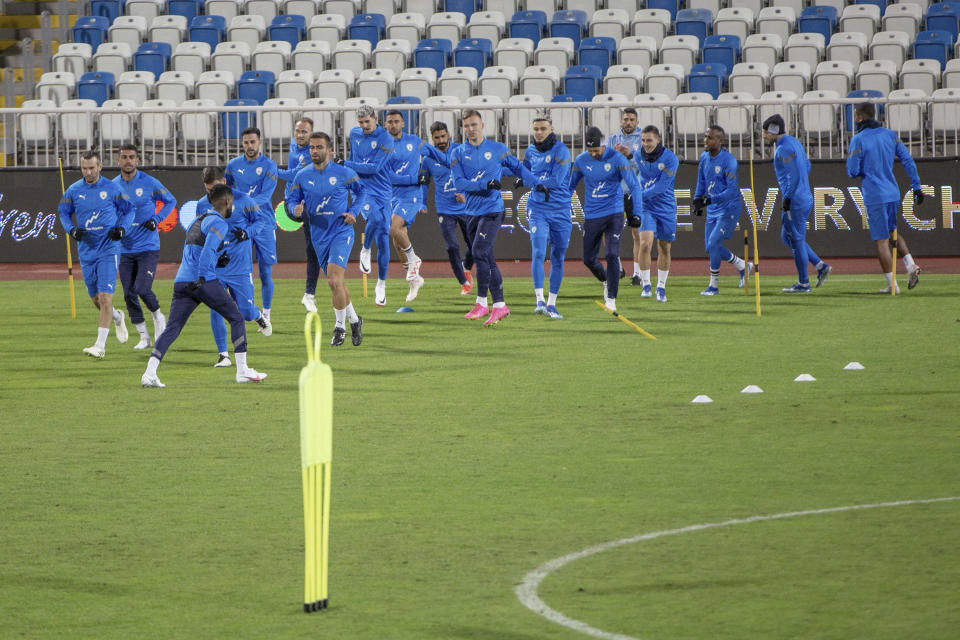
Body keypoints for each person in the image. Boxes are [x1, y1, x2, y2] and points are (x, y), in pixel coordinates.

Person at [141, 184, 267, 387]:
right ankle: (242, 370)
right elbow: (208, 250)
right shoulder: (220, 223)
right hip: (203, 280)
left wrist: (218, 260)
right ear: (227, 203)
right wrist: (203, 276)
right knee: (236, 317)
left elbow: (194, 252)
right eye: (232, 204)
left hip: (182, 282)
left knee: (173, 328)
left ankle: (149, 373)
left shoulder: (195, 222)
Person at [286, 131, 365, 346]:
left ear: (329, 150)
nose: (314, 151)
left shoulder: (343, 172)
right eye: (311, 147)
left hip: (341, 231)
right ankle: (355, 320)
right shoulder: (302, 175)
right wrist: (295, 208)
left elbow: (362, 192)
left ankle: (339, 327)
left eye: (319, 147)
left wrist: (354, 212)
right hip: (318, 236)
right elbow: (291, 198)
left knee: (332, 279)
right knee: (337, 283)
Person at [58, 149, 134, 358]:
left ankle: (100, 347)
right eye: (84, 168)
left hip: (109, 248)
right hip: (86, 250)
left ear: (100, 166)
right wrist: (71, 229)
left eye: (92, 168)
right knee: (96, 301)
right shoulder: (73, 191)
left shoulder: (112, 188)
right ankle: (118, 318)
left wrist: (122, 228)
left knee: (105, 297)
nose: (88, 172)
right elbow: (63, 213)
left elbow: (129, 211)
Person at [197, 166, 272, 368]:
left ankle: (258, 316)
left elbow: (260, 222)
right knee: (217, 309)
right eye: (208, 189)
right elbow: (200, 233)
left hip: (240, 266)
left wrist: (246, 233)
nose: (212, 193)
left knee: (245, 312)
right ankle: (223, 355)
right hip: (216, 267)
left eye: (215, 188)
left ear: (224, 182)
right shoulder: (202, 205)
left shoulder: (245, 200)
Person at [846, 102, 925, 293]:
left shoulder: (858, 139)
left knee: (881, 241)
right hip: (892, 192)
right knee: (892, 232)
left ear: (859, 117)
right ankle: (910, 265)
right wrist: (916, 187)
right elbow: (907, 160)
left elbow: (852, 171)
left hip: (875, 194)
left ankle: (892, 285)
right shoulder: (890, 135)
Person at [505, 112, 573, 319]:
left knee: (558, 256)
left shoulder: (562, 151)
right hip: (538, 208)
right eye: (536, 129)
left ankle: (552, 303)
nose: (539, 132)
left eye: (543, 129)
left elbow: (556, 181)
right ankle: (539, 300)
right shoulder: (531, 151)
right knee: (538, 252)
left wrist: (528, 181)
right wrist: (512, 173)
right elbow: (524, 170)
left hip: (560, 210)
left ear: (551, 129)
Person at [568, 127, 644, 312]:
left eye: (597, 150)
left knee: (611, 254)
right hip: (593, 215)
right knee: (588, 259)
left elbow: (634, 186)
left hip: (614, 212)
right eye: (590, 150)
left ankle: (611, 298)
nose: (593, 154)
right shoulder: (581, 160)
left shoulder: (617, 158)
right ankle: (605, 280)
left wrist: (637, 213)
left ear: (604, 145)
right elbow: (569, 187)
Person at [450, 109, 514, 325]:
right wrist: (483, 185)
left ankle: (482, 303)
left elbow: (517, 167)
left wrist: (534, 180)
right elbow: (460, 184)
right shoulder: (458, 152)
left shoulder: (496, 149)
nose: (470, 129)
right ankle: (500, 306)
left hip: (493, 210)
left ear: (482, 125)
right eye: (467, 125)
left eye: (474, 124)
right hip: (471, 212)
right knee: (487, 258)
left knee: (478, 251)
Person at [113, 144, 175, 349]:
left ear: (138, 160)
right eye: (124, 157)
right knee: (128, 293)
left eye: (131, 157)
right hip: (124, 248)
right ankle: (144, 337)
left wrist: (156, 219)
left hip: (147, 246)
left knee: (142, 288)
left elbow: (170, 201)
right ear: (118, 161)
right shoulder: (113, 186)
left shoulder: (149, 182)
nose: (128, 160)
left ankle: (158, 316)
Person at [761, 115, 832, 293]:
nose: (763, 136)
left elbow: (793, 176)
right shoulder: (795, 142)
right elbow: (807, 166)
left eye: (765, 132)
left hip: (794, 201)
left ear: (774, 131)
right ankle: (820, 265)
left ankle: (803, 283)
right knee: (787, 237)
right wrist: (801, 187)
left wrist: (789, 197)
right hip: (804, 197)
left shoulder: (782, 149)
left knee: (797, 240)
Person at [225, 126, 279, 322]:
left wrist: (243, 204)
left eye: (253, 142)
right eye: (246, 142)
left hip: (263, 223)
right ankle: (241, 311)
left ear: (259, 143)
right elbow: (227, 192)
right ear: (242, 143)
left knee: (265, 272)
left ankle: (266, 315)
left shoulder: (270, 165)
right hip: (239, 224)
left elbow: (265, 196)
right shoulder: (232, 165)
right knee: (238, 270)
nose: (249, 146)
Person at [693, 126, 752, 296]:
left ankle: (714, 286)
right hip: (712, 209)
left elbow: (732, 191)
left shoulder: (729, 161)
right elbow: (701, 181)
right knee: (710, 247)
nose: (706, 140)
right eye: (705, 136)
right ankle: (742, 265)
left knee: (713, 245)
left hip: (728, 209)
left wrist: (710, 200)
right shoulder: (704, 157)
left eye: (710, 137)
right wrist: (698, 200)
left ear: (721, 141)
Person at [348, 105, 395, 306]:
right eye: (361, 122)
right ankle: (365, 250)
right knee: (374, 219)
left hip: (383, 191)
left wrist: (347, 165)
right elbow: (353, 158)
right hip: (362, 189)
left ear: (375, 119)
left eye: (367, 121)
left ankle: (381, 285)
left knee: (384, 238)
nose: (364, 125)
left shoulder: (386, 139)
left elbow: (374, 168)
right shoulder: (354, 134)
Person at [420, 120, 474, 295]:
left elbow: (472, 175)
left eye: (443, 136)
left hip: (465, 207)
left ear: (449, 134)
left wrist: (466, 195)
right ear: (432, 139)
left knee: (474, 244)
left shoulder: (460, 150)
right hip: (444, 209)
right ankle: (463, 282)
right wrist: (422, 202)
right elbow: (424, 183)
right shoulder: (428, 160)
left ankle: (467, 266)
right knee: (451, 246)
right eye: (436, 138)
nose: (440, 140)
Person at [276, 117, 321, 312]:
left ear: (311, 133)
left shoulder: (312, 154)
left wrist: (271, 170)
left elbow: (292, 174)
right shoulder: (293, 144)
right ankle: (310, 293)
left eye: (304, 132)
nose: (300, 135)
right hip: (293, 202)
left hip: (311, 203)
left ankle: (309, 294)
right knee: (315, 249)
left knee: (314, 250)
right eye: (297, 131)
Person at [383, 109, 427, 302]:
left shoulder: (415, 141)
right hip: (392, 195)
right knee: (397, 239)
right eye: (390, 122)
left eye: (396, 121)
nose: (393, 124)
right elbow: (387, 176)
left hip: (411, 196)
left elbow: (432, 154)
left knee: (393, 227)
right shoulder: (383, 146)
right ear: (385, 125)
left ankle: (414, 258)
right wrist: (412, 178)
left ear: (403, 124)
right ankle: (414, 280)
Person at [636, 125, 679, 302]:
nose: (645, 144)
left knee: (664, 247)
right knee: (645, 243)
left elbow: (662, 187)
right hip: (647, 207)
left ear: (658, 139)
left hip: (666, 207)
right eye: (643, 140)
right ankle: (646, 284)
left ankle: (661, 287)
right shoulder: (638, 155)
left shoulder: (670, 158)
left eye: (649, 140)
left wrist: (638, 195)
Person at [606, 107, 643, 285]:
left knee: (638, 233)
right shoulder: (612, 139)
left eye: (631, 119)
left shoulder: (643, 139)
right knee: (610, 232)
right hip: (615, 192)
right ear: (621, 121)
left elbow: (644, 164)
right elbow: (605, 163)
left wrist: (629, 155)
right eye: (625, 119)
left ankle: (637, 273)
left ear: (637, 122)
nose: (628, 122)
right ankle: (618, 268)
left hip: (634, 191)